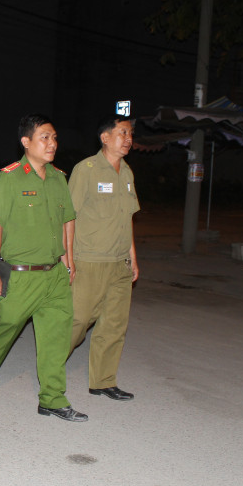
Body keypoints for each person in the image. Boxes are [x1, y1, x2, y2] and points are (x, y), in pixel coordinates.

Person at [0, 114, 87, 422]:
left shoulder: (59, 178)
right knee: (3, 329)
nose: (52, 143)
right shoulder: (10, 177)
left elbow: (67, 220)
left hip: (55, 275)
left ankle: (52, 398)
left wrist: (68, 258)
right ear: (26, 142)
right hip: (21, 275)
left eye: (55, 138)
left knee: (56, 338)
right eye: (45, 137)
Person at [67, 114, 139, 401]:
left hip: (119, 262)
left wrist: (133, 256)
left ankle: (103, 381)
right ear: (105, 137)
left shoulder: (128, 173)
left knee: (114, 324)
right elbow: (67, 217)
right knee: (78, 320)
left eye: (130, 134)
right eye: (122, 133)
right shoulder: (86, 170)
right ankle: (50, 367)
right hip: (89, 260)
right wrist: (67, 257)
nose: (128, 139)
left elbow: (128, 218)